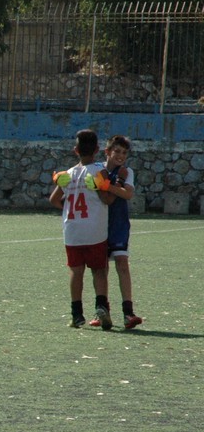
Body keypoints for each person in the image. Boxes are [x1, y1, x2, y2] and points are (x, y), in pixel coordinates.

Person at [49, 129, 114, 329]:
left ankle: (76, 314)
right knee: (99, 270)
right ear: (97, 150)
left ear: (75, 150)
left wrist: (68, 207)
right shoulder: (100, 171)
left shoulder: (67, 174)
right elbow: (107, 199)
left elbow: (54, 200)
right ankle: (101, 306)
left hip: (73, 231)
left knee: (76, 272)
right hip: (95, 230)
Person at [89, 135, 143, 330]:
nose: (121, 156)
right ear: (107, 152)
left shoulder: (126, 172)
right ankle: (101, 310)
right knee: (100, 268)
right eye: (117, 151)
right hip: (98, 225)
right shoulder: (97, 170)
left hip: (118, 225)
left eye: (124, 153)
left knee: (122, 263)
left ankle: (128, 312)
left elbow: (127, 194)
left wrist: (107, 186)